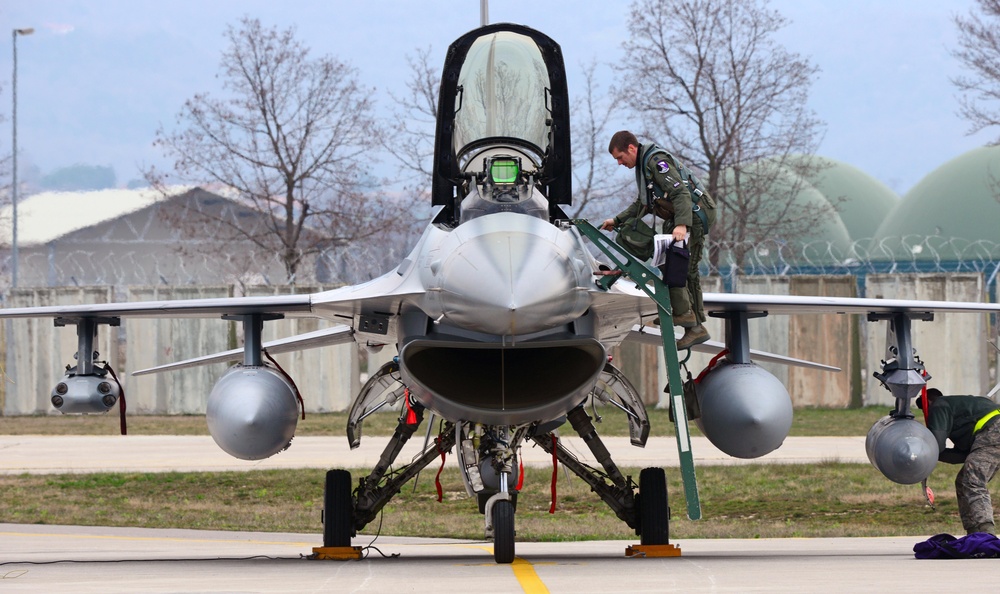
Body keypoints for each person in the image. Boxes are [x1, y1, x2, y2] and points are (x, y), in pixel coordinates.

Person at [600, 130, 710, 350]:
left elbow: (681, 194)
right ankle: (690, 322)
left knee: (684, 271)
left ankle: (692, 325)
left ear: (631, 148)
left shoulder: (656, 161)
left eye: (620, 157)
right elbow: (643, 203)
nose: (620, 163)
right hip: (679, 217)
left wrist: (682, 225)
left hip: (694, 216)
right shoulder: (644, 167)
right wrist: (617, 219)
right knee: (677, 268)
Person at [917, 388, 1000, 535]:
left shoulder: (939, 405)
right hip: (991, 434)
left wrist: (921, 452)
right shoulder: (962, 408)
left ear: (928, 402)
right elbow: (962, 456)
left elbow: (937, 444)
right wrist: (933, 455)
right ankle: (974, 532)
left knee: (973, 481)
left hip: (993, 431)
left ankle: (987, 534)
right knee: (963, 481)